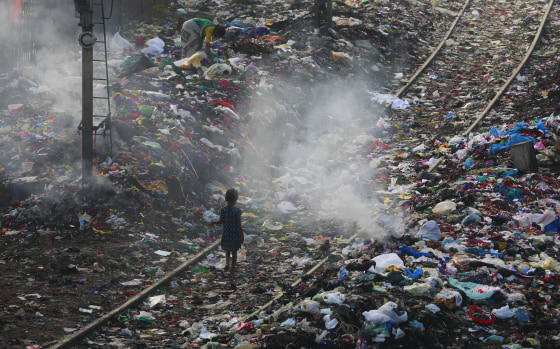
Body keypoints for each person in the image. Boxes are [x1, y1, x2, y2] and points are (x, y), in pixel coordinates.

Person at [209, 188, 244, 275]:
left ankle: (227, 264)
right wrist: (241, 234)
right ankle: (232, 269)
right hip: (235, 233)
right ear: (236, 199)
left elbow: (221, 221)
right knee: (234, 251)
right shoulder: (236, 211)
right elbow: (239, 224)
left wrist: (214, 222)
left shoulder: (223, 209)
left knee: (227, 250)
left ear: (226, 198)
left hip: (227, 233)